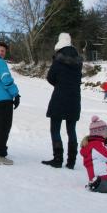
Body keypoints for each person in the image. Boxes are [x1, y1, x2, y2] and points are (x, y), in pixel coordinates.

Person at [41, 33, 83, 169]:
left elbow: (50, 77)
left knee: (55, 129)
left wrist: (60, 84)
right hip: (75, 98)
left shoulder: (58, 59)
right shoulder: (78, 61)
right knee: (72, 130)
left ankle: (57, 159)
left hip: (60, 97)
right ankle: (71, 161)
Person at [80, 116, 107, 194]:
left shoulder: (92, 144)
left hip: (98, 174)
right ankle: (97, 185)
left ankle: (96, 183)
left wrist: (105, 143)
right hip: (102, 175)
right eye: (106, 132)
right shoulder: (97, 145)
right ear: (100, 133)